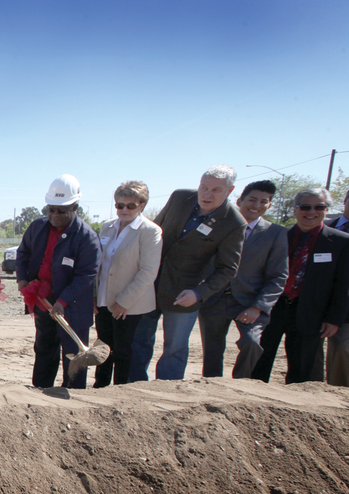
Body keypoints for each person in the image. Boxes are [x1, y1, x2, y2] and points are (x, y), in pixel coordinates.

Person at [129, 164, 247, 381]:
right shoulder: (179, 198)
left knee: (174, 348)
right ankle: (134, 390)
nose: (207, 194)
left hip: (185, 292)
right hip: (149, 284)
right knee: (139, 341)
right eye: (204, 187)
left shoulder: (234, 222)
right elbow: (152, 231)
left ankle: (167, 394)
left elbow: (227, 269)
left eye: (216, 190)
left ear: (230, 191)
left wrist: (199, 293)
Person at [252, 189, 349, 384]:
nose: (311, 211)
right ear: (295, 210)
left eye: (319, 207)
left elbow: (343, 286)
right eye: (305, 206)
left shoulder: (341, 242)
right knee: (259, 360)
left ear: (327, 210)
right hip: (273, 307)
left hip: (311, 312)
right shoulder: (279, 236)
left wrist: (333, 319)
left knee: (301, 370)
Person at [16, 174, 101, 389]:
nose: (54, 215)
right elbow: (23, 253)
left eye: (61, 211)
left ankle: (72, 395)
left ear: (75, 207)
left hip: (71, 305)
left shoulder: (86, 237)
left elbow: (86, 275)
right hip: (43, 300)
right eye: (50, 209)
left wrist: (63, 301)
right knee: (44, 348)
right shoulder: (37, 227)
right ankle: (41, 390)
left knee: (74, 354)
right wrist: (22, 279)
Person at [198, 181, 288, 379]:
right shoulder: (217, 225)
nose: (257, 205)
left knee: (252, 344)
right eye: (252, 199)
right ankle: (211, 390)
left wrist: (258, 307)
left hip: (249, 302)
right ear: (240, 200)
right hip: (214, 299)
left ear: (269, 205)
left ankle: (240, 385)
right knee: (212, 353)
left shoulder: (276, 233)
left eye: (264, 201)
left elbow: (278, 276)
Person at [92, 181, 162, 387]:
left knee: (125, 353)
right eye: (119, 205)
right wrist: (95, 295)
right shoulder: (107, 227)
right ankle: (100, 388)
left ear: (142, 205)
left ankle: (120, 393)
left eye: (130, 205)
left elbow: (148, 272)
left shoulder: (150, 231)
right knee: (103, 349)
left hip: (130, 306)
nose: (124, 209)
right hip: (104, 301)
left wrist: (124, 301)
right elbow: (100, 265)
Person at [321, 190, 349, 386]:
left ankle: (341, 392)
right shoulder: (323, 227)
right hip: (319, 300)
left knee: (342, 346)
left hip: (346, 302)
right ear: (345, 200)